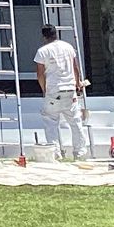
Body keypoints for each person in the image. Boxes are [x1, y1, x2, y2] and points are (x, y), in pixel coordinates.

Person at [33, 23, 90, 161]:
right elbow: (75, 67)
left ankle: (55, 153)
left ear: (44, 36)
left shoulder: (43, 51)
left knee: (51, 121)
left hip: (53, 90)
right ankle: (80, 152)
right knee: (75, 121)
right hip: (70, 90)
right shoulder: (68, 47)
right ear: (56, 34)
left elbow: (40, 74)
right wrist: (78, 84)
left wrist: (44, 90)